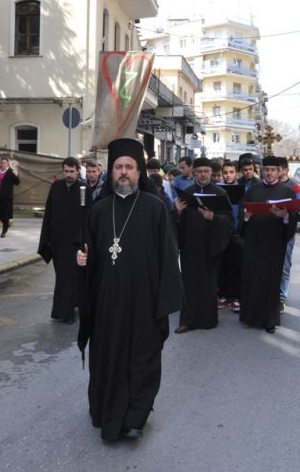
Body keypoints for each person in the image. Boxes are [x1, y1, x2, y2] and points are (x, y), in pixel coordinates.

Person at [76, 138, 183, 441]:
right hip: (107, 303)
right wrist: (81, 259)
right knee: (106, 357)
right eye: (118, 167)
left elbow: (168, 255)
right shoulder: (98, 210)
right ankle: (104, 410)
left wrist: (163, 303)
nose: (123, 172)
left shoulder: (155, 208)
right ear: (111, 171)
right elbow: (89, 252)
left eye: (129, 167)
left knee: (142, 358)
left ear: (139, 173)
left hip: (143, 302)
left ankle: (135, 416)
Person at [238, 156, 298, 333]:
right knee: (253, 277)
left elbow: (293, 216)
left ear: (279, 171)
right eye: (267, 169)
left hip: (274, 242)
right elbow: (243, 212)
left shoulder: (287, 191)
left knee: (271, 281)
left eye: (273, 170)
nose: (270, 173)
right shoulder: (252, 190)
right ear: (262, 171)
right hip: (254, 241)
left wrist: (285, 217)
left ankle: (270, 319)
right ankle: (251, 316)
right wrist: (246, 217)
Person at [173, 158, 232, 333]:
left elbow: (229, 220)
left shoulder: (220, 193)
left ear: (210, 172)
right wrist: (176, 211)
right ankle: (188, 320)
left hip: (211, 245)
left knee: (208, 284)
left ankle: (208, 319)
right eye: (199, 171)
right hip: (190, 246)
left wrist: (213, 217)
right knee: (189, 283)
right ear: (193, 172)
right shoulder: (186, 192)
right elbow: (175, 220)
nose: (203, 174)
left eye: (206, 171)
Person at [38, 157, 92, 325]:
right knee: (62, 277)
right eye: (66, 171)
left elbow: (88, 216)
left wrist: (84, 240)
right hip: (58, 242)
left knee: (71, 276)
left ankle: (66, 312)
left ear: (77, 171)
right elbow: (49, 213)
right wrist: (45, 239)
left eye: (72, 171)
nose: (69, 175)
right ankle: (68, 306)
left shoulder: (84, 188)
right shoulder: (56, 187)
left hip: (76, 242)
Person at [218, 160, 244, 312]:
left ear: (237, 173)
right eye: (225, 172)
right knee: (222, 265)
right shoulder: (218, 189)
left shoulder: (244, 190)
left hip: (236, 233)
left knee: (237, 265)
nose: (228, 175)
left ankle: (236, 296)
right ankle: (224, 295)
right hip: (221, 232)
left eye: (231, 172)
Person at [278, 158, 300, 311]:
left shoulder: (294, 187)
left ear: (286, 170)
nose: (276, 172)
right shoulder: (270, 185)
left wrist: (288, 212)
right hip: (271, 231)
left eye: (279, 169)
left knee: (285, 266)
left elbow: (298, 208)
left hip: (288, 230)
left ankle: (281, 296)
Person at [0, 157, 21, 237]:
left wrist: (16, 175)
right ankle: (6, 223)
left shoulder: (11, 172)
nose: (3, 164)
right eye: (2, 163)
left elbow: (17, 183)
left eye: (5, 163)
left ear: (7, 164)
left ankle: (4, 230)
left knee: (5, 214)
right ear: (0, 163)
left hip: (7, 196)